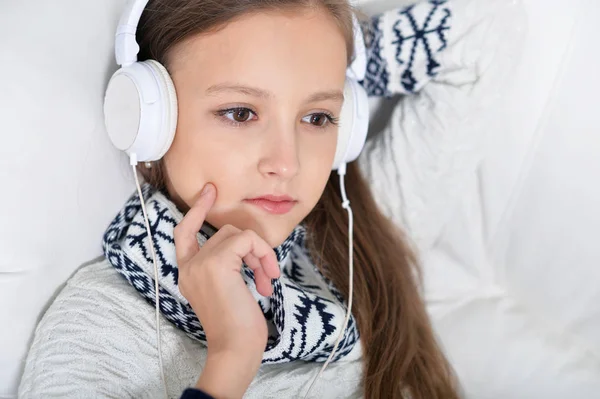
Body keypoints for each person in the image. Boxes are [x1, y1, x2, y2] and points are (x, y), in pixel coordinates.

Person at [19, 0, 460, 398]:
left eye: (318, 116)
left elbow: (486, 31)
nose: (286, 164)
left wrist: (342, 47)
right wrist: (230, 360)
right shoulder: (100, 329)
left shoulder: (358, 237)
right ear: (148, 118)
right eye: (240, 113)